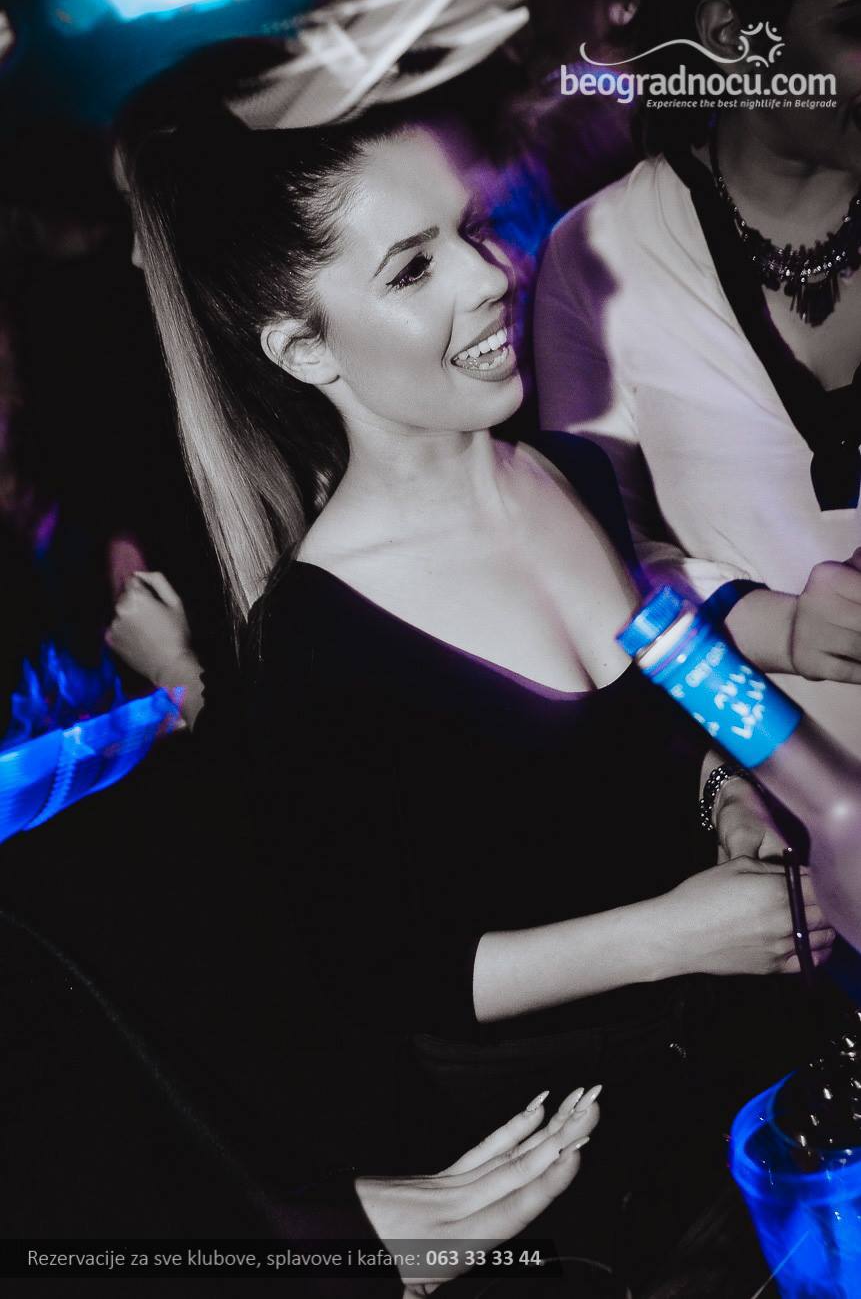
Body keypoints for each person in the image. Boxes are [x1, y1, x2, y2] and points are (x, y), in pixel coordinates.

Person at [111, 90, 840, 1294]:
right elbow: (377, 975)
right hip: (593, 1177)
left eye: (473, 228)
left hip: (759, 1071)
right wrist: (676, 933)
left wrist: (728, 793)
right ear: (303, 349)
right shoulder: (313, 641)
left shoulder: (568, 472)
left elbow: (659, 705)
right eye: (412, 267)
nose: (491, 275)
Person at [534, 0, 861, 761]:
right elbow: (590, 554)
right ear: (731, 35)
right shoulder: (595, 255)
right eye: (853, 24)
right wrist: (771, 624)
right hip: (785, 790)